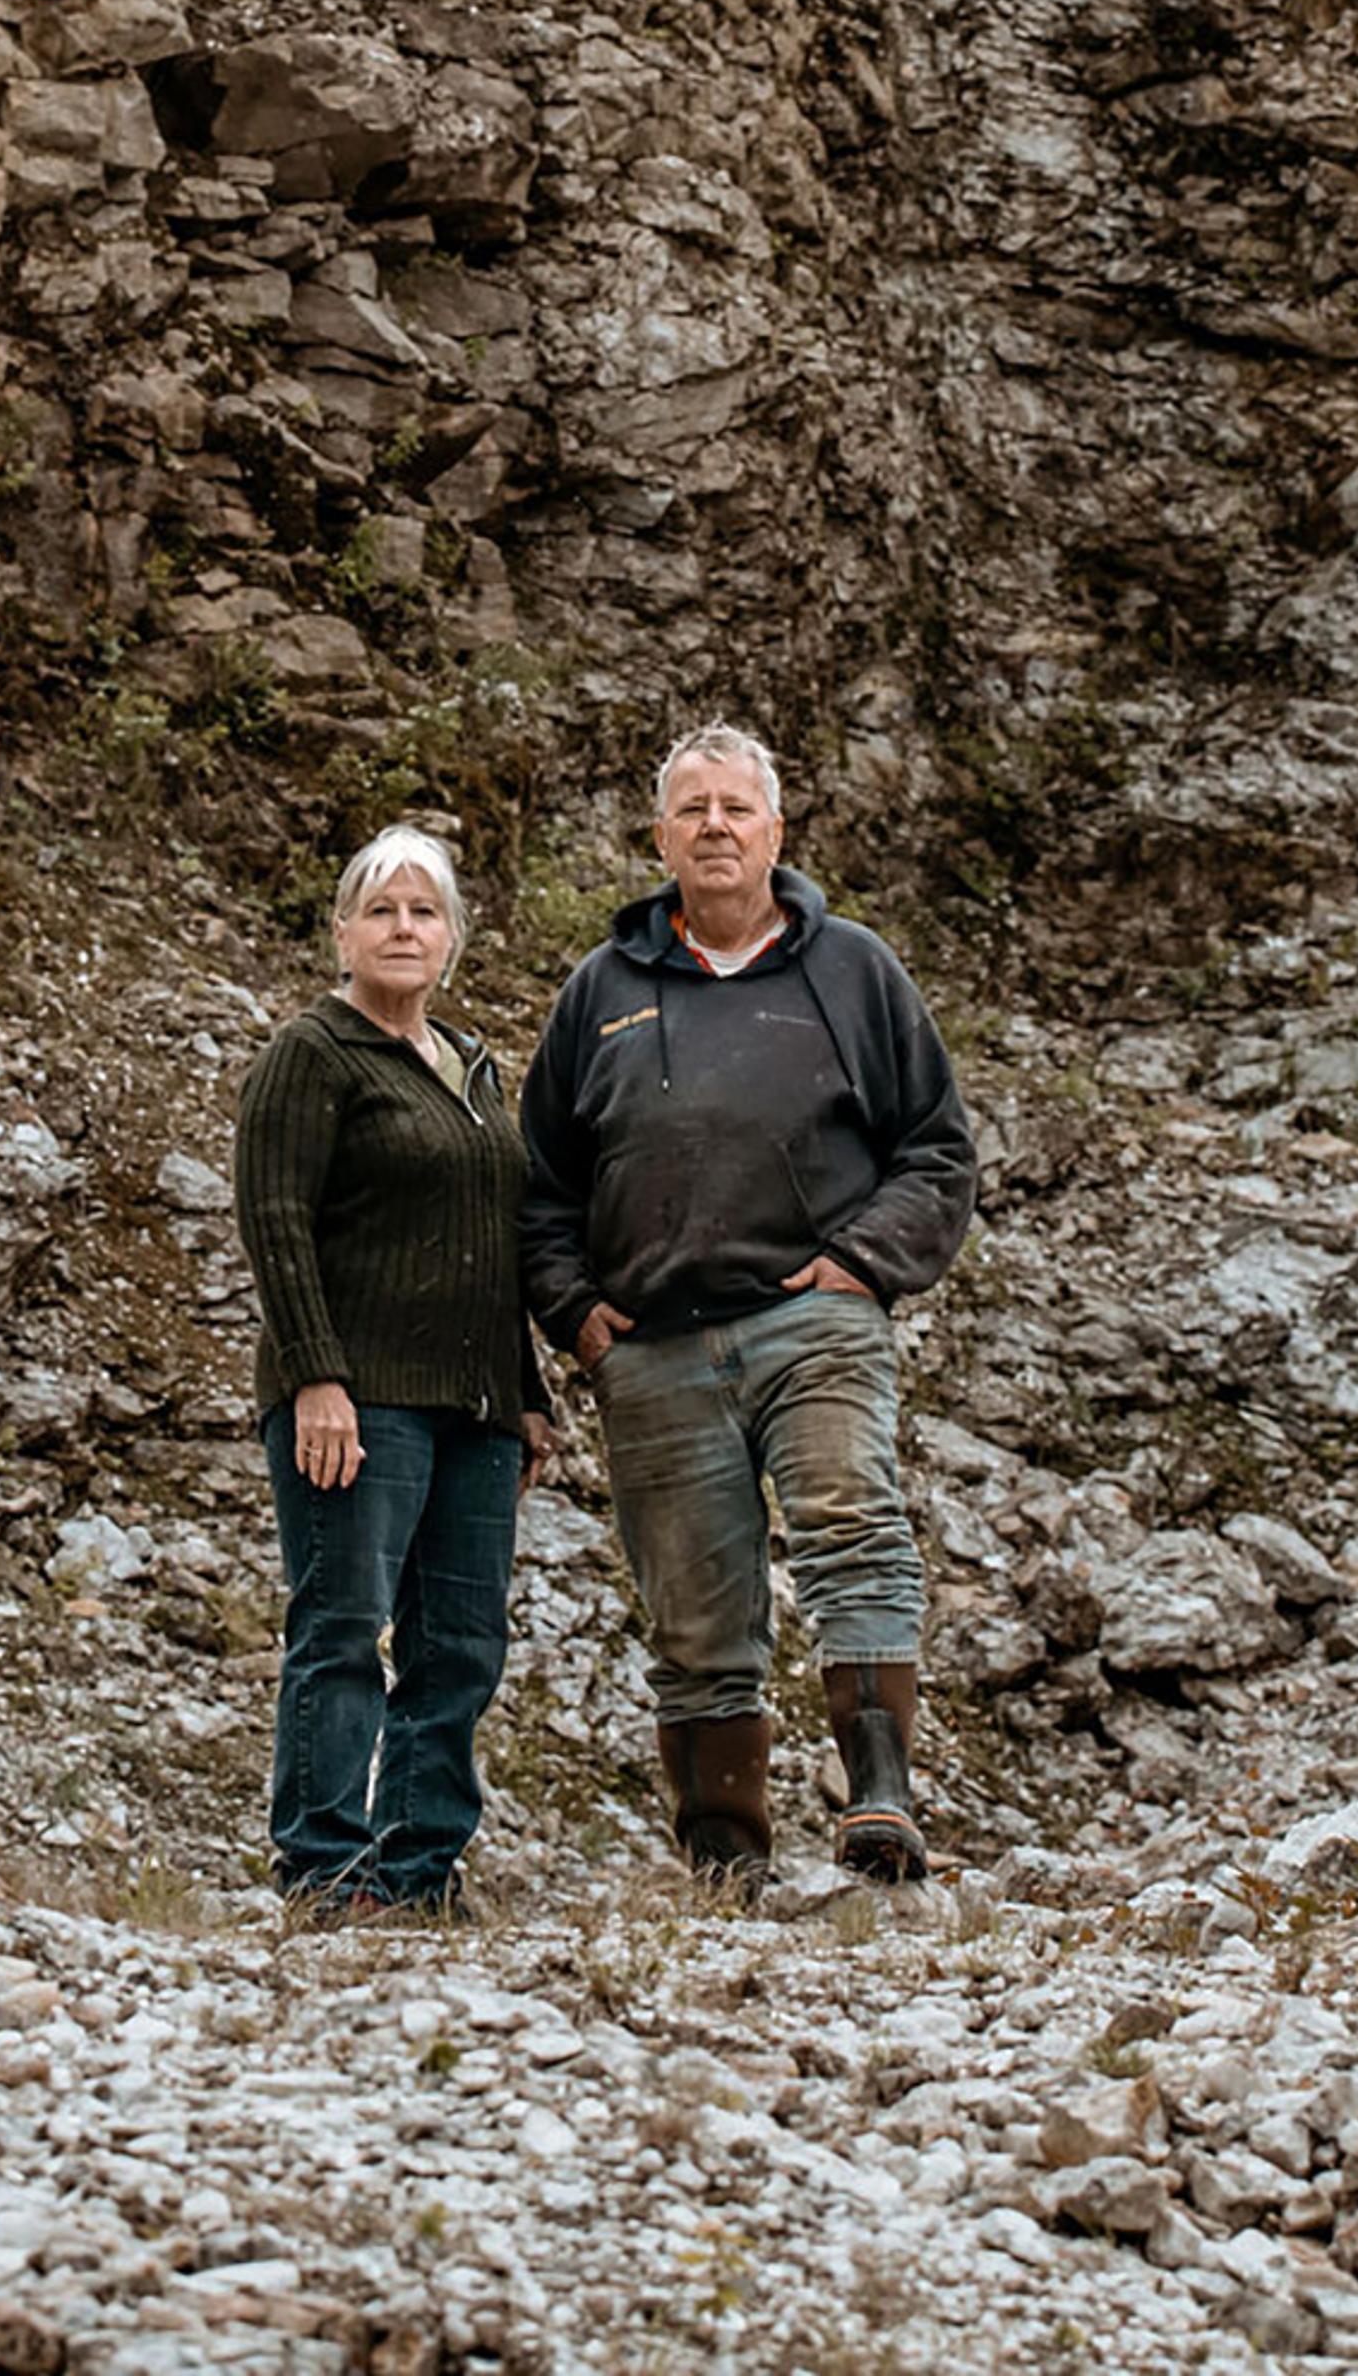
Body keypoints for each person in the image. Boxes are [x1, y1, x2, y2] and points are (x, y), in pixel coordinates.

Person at [518, 723, 977, 1888]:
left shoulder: (855, 971)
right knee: (693, 1615)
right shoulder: (601, 991)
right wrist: (578, 1314)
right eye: (692, 809)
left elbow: (935, 1149)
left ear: (776, 829)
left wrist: (864, 1264)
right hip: (654, 1349)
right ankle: (725, 1865)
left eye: (736, 807)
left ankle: (880, 1800)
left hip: (811, 1317)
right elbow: (539, 1184)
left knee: (852, 1531)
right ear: (660, 836)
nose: (714, 827)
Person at [235, 826, 553, 1924]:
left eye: (424, 912)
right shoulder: (311, 1054)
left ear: (454, 938)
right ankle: (324, 1872)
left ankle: (415, 1877)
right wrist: (317, 1376)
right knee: (342, 1627)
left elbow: (494, 1240)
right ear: (343, 933)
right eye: (381, 911)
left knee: (459, 1644)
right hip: (356, 1399)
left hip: (473, 1411)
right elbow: (274, 1221)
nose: (403, 929)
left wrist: (525, 1392)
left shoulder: (471, 1066)